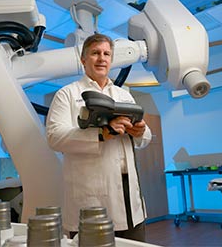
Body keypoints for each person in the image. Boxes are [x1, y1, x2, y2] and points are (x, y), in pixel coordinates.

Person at [46, 33, 152, 241]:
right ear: (83, 60)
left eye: (106, 54)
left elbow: (144, 138)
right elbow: (54, 137)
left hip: (130, 199)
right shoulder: (67, 94)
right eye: (95, 53)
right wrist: (101, 134)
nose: (102, 58)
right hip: (90, 200)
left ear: (111, 60)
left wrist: (141, 132)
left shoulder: (124, 95)